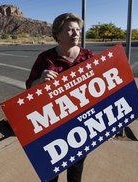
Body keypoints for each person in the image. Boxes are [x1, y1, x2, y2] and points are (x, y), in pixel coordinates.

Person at [26, 13, 95, 182]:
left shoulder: (88, 57)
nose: (76, 33)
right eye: (70, 30)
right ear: (57, 34)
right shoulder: (45, 58)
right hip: (52, 125)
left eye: (78, 30)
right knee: (51, 171)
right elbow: (29, 87)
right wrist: (40, 81)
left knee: (76, 168)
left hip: (81, 123)